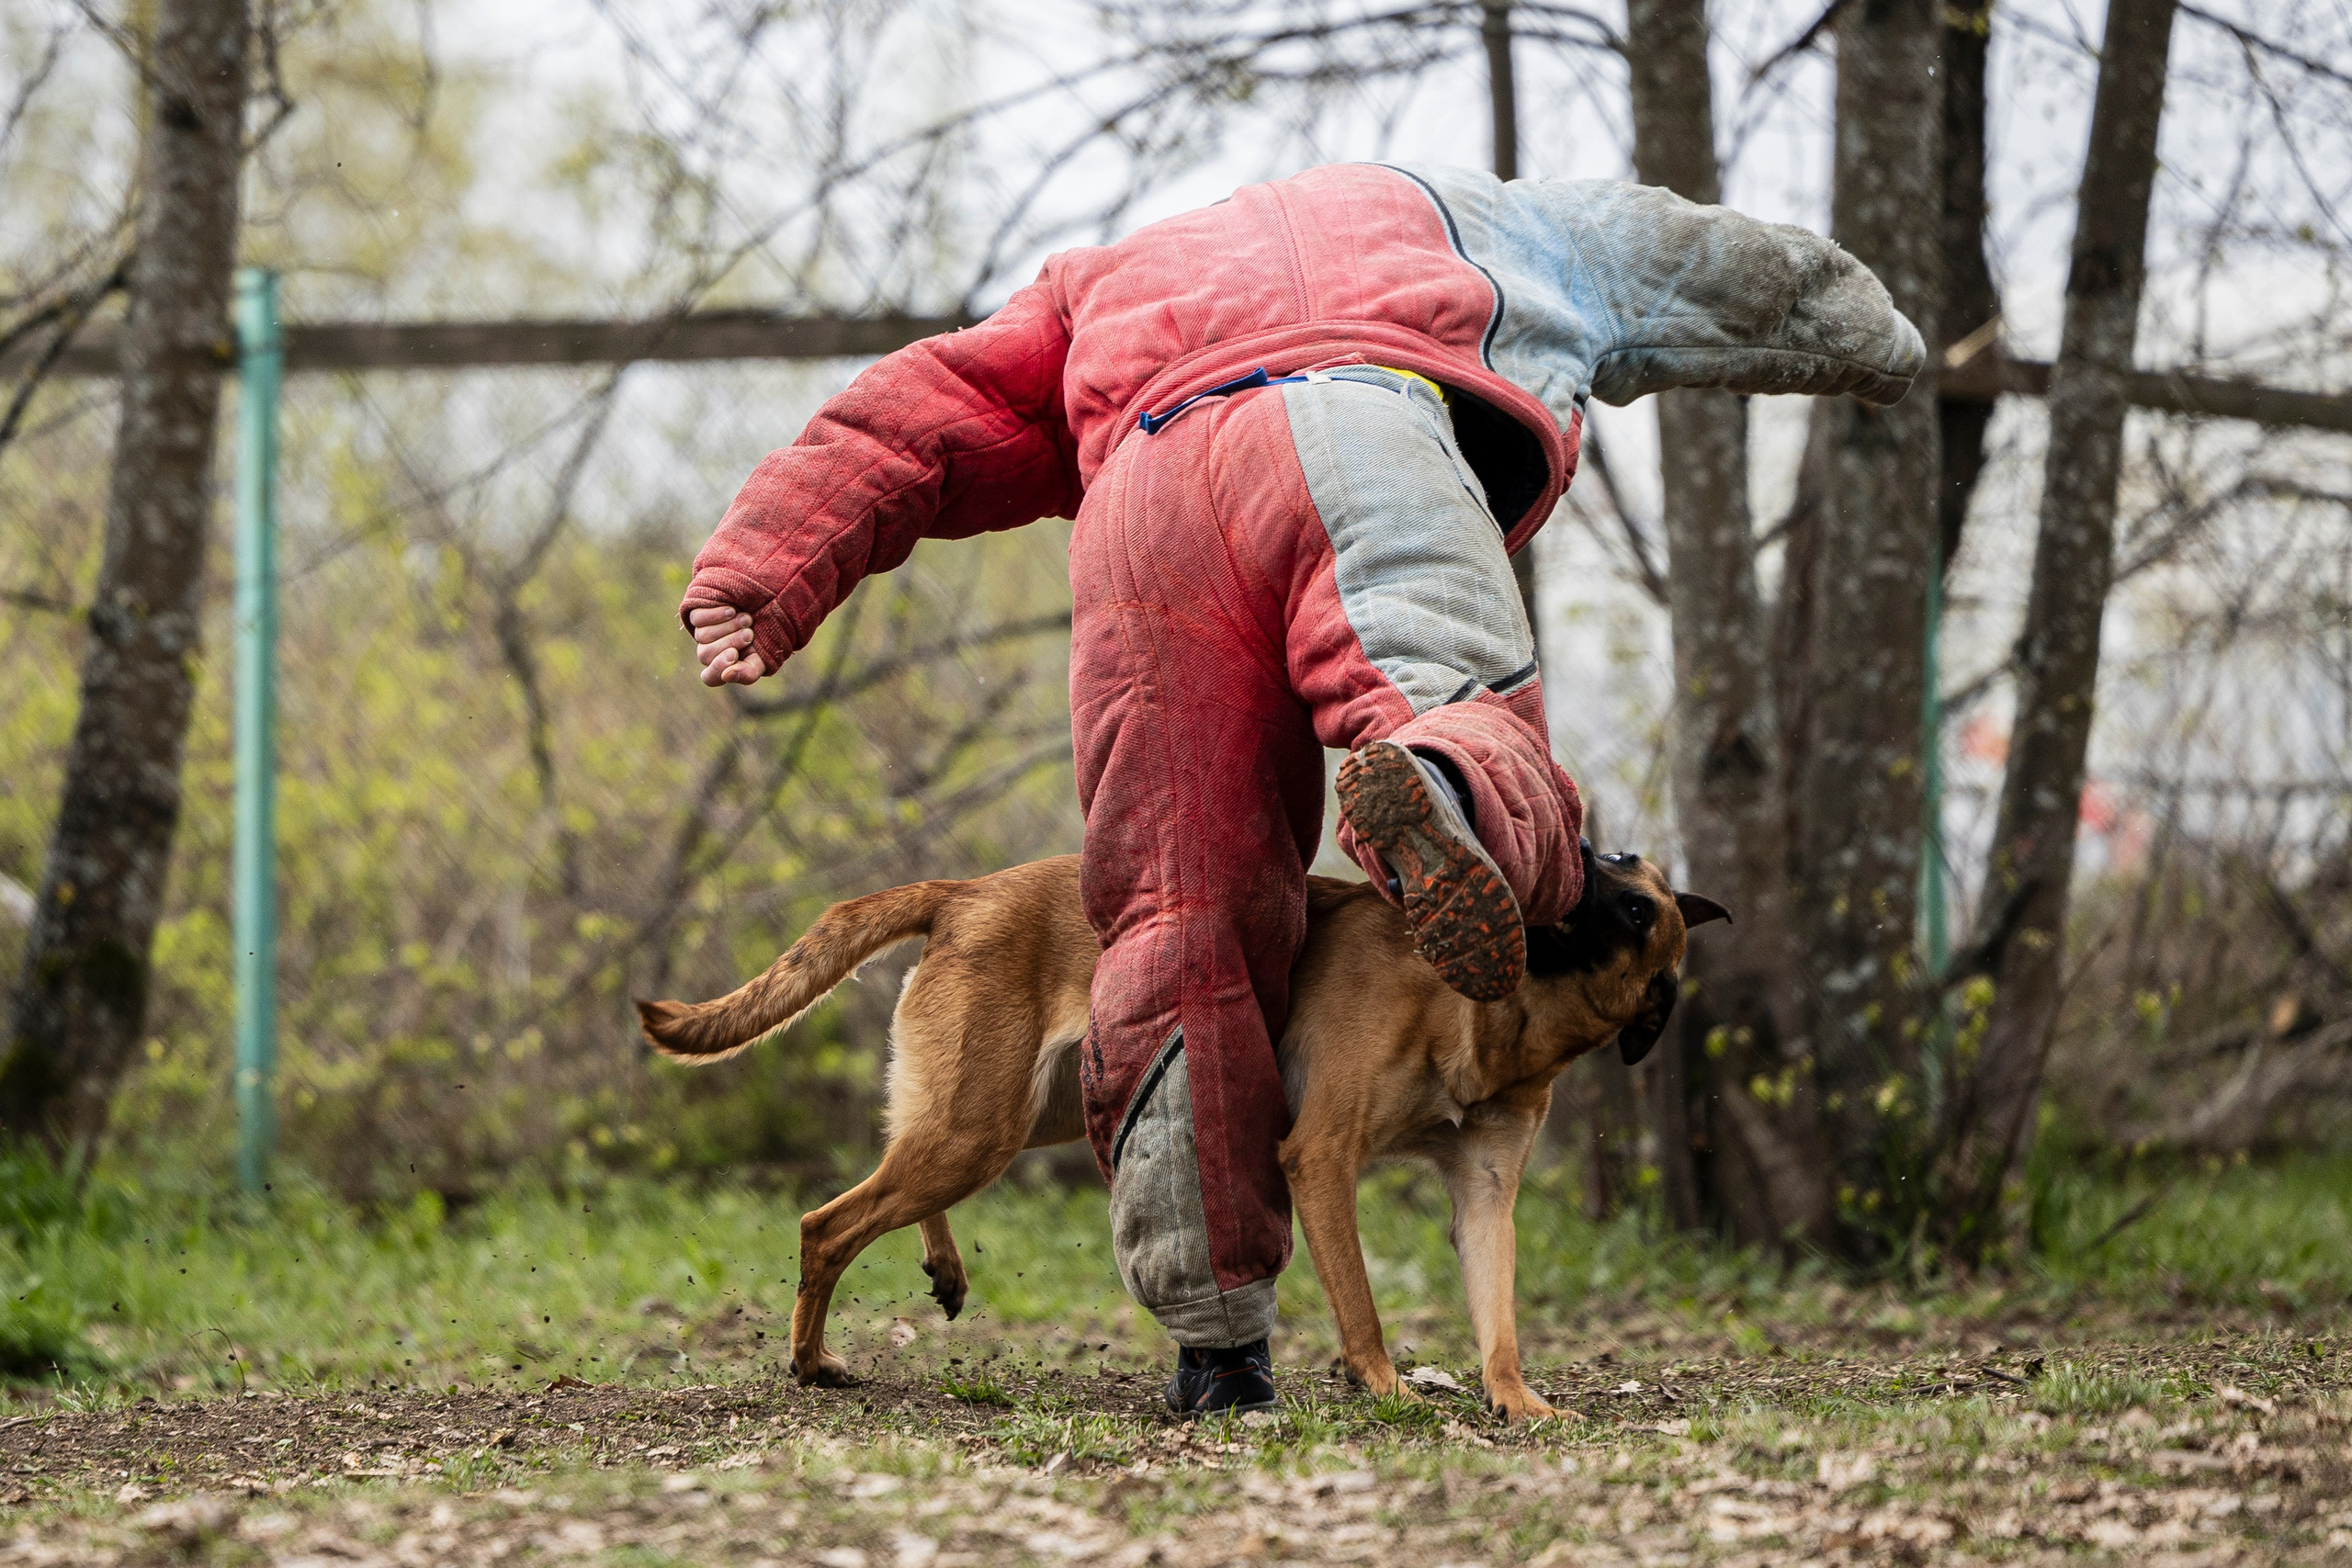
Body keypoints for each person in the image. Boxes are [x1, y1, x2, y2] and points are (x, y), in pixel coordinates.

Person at [680, 164, 1922, 1416]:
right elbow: (1698, 261)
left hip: (1149, 492)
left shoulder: (1097, 284)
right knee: (1442, 688)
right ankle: (1450, 796)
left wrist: (758, 577)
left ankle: (1218, 1344)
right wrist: (1872, 334)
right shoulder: (1472, 218)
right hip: (1368, 430)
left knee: (1175, 919)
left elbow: (915, 418)